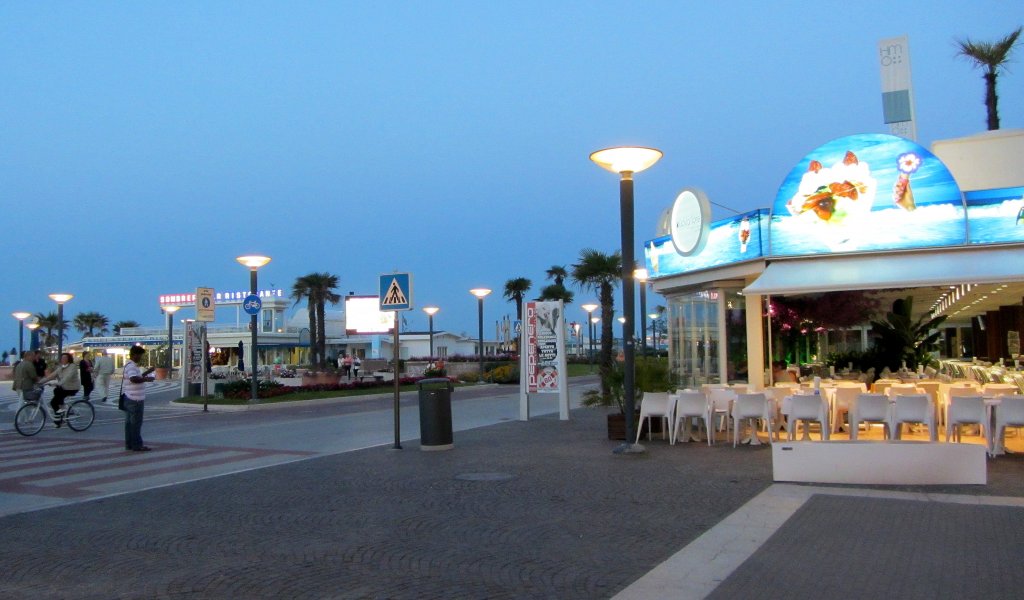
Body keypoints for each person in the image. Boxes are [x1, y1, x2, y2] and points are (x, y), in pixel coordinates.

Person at [123, 345, 156, 452]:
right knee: (135, 423)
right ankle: (137, 445)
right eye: (140, 355)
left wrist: (146, 373)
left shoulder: (130, 365)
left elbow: (136, 376)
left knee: (129, 423)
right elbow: (133, 379)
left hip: (130, 396)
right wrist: (146, 379)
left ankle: (129, 444)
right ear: (135, 355)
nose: (141, 357)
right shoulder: (132, 366)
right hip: (135, 399)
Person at [40, 352, 81, 427]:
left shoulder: (72, 366)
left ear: (69, 359)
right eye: (62, 358)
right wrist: (40, 382)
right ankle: (61, 415)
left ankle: (59, 418)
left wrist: (59, 383)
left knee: (54, 401)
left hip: (72, 387)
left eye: (65, 358)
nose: (63, 359)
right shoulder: (60, 368)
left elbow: (68, 377)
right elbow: (51, 376)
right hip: (64, 387)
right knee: (56, 395)